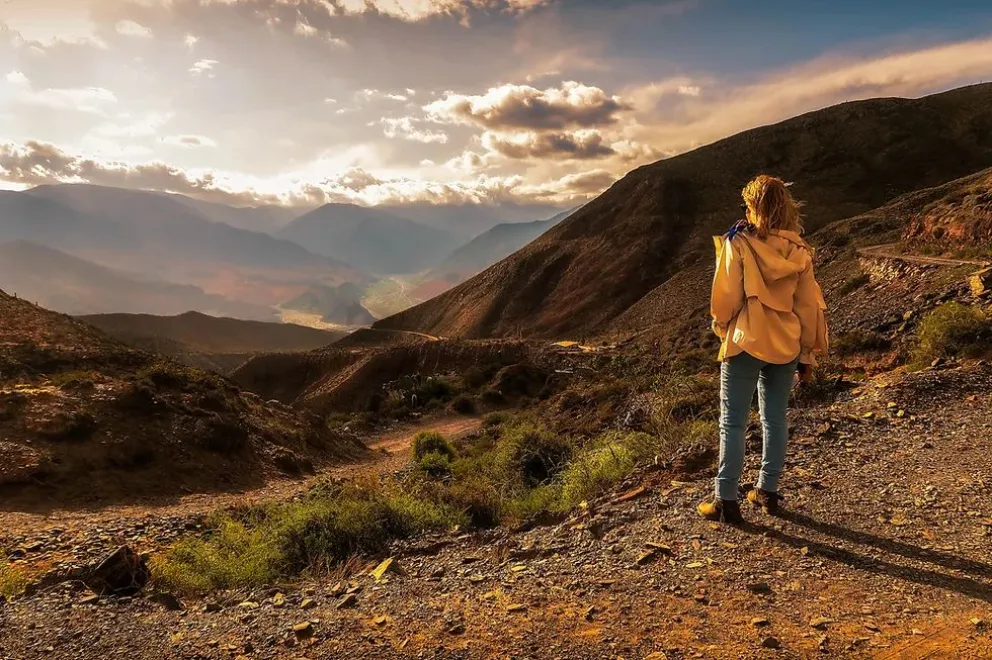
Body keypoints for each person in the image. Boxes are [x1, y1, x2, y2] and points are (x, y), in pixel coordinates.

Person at [697, 174, 829, 524]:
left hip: (747, 340)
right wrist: (805, 353)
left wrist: (722, 328)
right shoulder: (800, 251)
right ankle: (767, 491)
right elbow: (808, 306)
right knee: (775, 420)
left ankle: (726, 499)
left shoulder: (739, 242)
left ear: (753, 207)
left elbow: (725, 298)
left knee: (733, 423)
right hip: (786, 343)